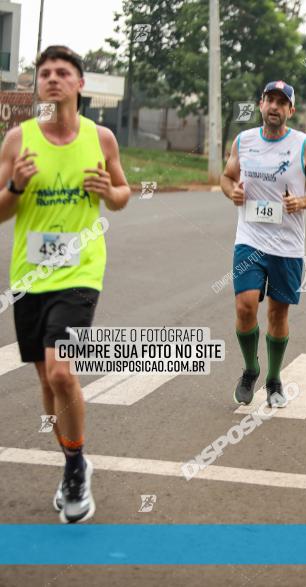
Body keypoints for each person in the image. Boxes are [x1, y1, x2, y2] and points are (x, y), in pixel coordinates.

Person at [0, 46, 131, 523]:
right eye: (45, 73)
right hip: (29, 275)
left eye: (63, 73)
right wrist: (14, 186)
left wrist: (107, 192)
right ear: (38, 85)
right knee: (44, 377)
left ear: (80, 84)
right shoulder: (18, 140)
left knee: (61, 372)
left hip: (79, 273)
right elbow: (0, 210)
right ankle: (73, 459)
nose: (53, 79)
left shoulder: (102, 139)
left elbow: (122, 195)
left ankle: (75, 467)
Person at [221, 81, 306, 408]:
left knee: (278, 315)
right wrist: (232, 192)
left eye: (282, 102)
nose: (275, 106)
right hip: (250, 239)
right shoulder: (244, 140)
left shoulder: (303, 145)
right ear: (261, 104)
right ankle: (251, 368)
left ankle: (274, 377)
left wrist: (302, 202)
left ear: (290, 110)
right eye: (270, 99)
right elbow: (227, 178)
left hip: (287, 246)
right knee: (245, 305)